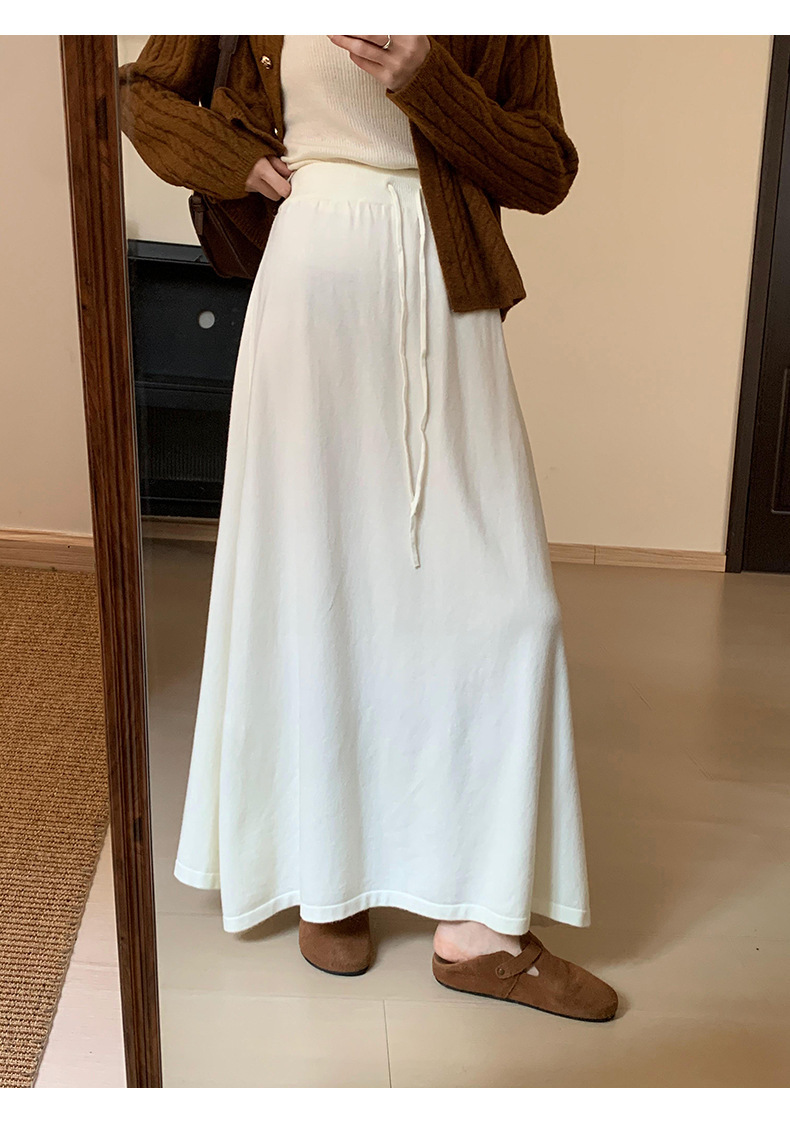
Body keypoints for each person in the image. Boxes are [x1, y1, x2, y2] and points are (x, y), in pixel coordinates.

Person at [119, 34, 618, 1022]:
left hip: (447, 284)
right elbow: (140, 95)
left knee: (507, 605)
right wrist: (235, 162)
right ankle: (328, 872)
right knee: (321, 585)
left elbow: (545, 168)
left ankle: (478, 927)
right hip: (313, 288)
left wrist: (427, 81)